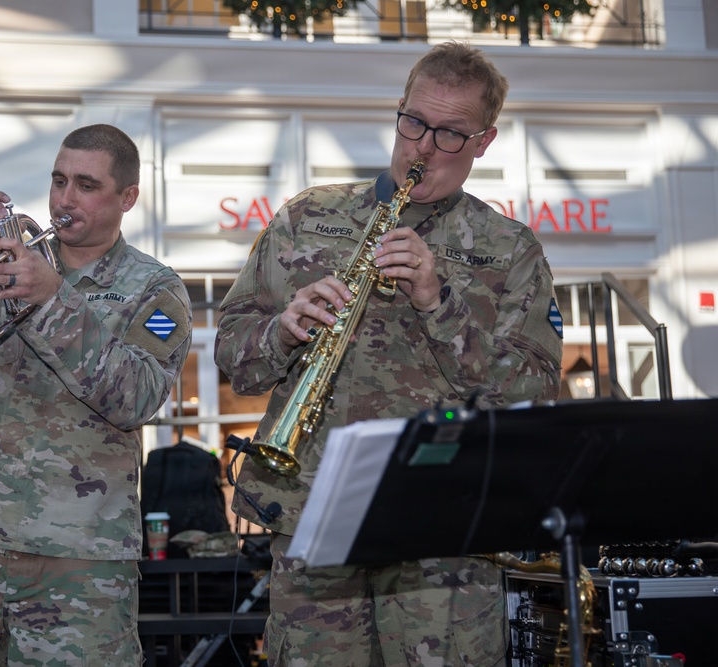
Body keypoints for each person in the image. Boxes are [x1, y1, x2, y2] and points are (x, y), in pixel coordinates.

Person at [215, 42, 563, 666]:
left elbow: (535, 394)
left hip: (449, 528)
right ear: (398, 110)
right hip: (315, 512)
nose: (423, 147)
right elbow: (234, 358)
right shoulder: (306, 218)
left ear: (484, 142)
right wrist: (283, 331)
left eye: (451, 134)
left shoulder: (509, 249)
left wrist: (438, 303)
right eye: (414, 123)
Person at [0, 124, 192, 667]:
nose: (63, 199)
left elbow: (136, 398)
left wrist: (55, 300)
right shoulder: (6, 264)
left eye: (85, 185)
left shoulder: (157, 289)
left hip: (78, 554)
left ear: (127, 198)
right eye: (57, 180)